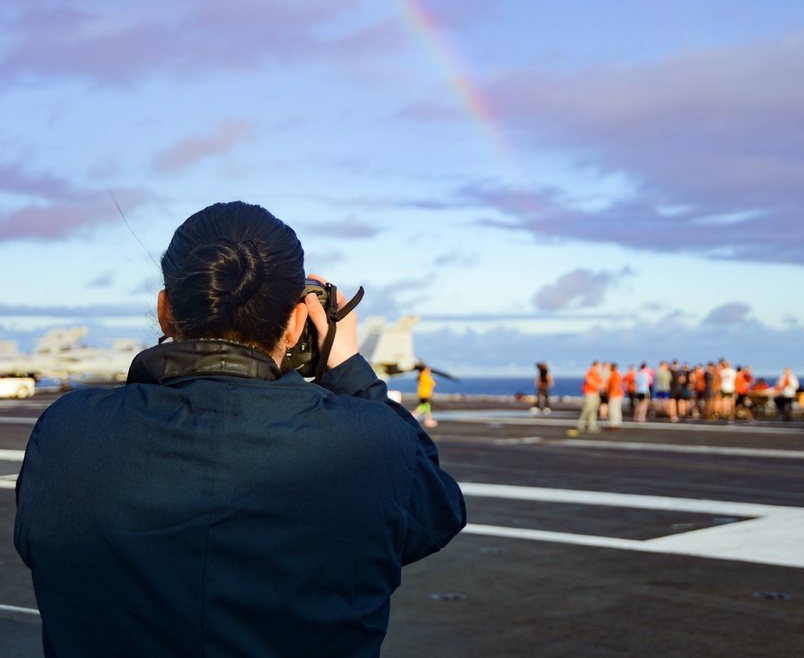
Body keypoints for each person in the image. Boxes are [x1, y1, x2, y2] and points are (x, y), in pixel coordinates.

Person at [14, 202, 466, 656]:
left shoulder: (66, 429)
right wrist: (349, 369)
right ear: (295, 323)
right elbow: (438, 512)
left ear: (165, 310)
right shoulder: (373, 443)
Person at [577, 360, 604, 433]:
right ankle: (581, 423)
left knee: (593, 410)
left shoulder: (597, 373)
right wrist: (598, 385)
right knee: (587, 408)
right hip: (590, 393)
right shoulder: (591, 371)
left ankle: (592, 425)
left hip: (595, 393)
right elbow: (589, 380)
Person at [606, 363, 624, 430]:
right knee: (617, 409)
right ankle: (617, 422)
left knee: (612, 409)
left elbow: (614, 386)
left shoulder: (614, 375)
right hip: (618, 394)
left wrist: (610, 393)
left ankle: (614, 423)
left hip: (615, 394)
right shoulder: (617, 374)